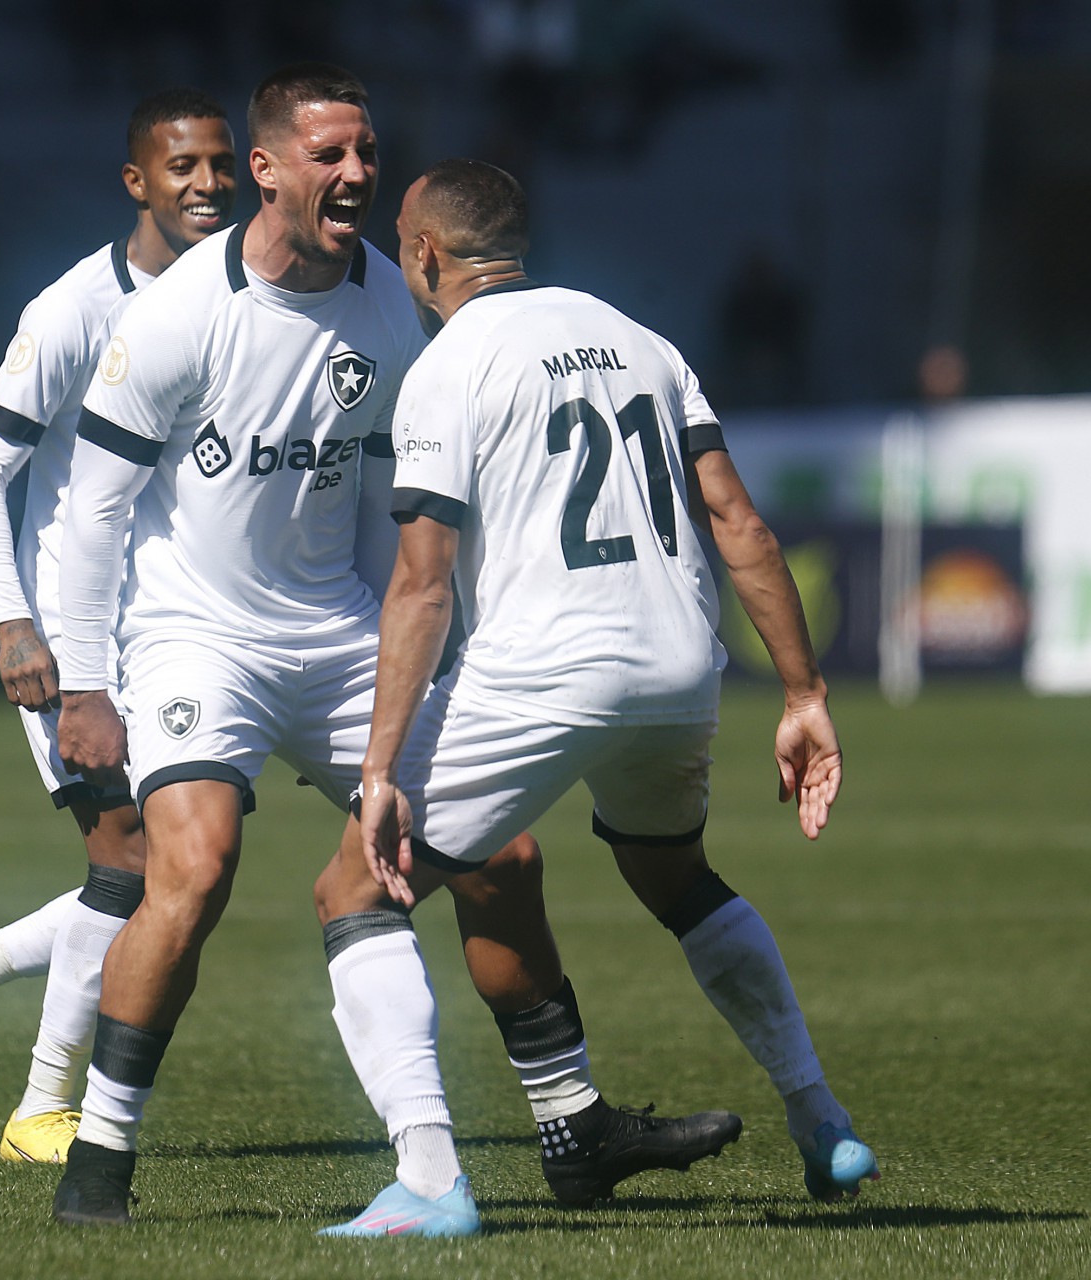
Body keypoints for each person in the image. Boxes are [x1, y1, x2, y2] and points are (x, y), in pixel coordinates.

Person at [51, 63, 738, 1235]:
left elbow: (401, 499)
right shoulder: (175, 316)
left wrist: (421, 644)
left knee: (501, 855)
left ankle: (574, 1127)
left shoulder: (392, 309)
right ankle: (99, 1154)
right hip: (195, 640)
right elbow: (94, 505)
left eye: (367, 151)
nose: (358, 172)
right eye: (329, 154)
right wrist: (83, 681)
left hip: (338, 630)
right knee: (198, 868)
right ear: (266, 169)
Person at [319, 157, 880, 1231]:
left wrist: (380, 765)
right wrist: (803, 692)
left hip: (544, 670)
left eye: (402, 243)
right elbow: (739, 524)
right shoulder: (640, 339)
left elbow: (423, 583)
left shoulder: (450, 365)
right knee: (675, 875)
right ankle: (821, 1119)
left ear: (425, 252)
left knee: (354, 889)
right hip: (679, 668)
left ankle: (429, 1182)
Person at [0, 88, 238, 1163]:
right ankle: (40, 1104)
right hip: (75, 635)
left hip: (181, 625)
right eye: (182, 166)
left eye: (220, 163)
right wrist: (15, 623)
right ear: (137, 181)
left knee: (165, 869)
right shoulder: (75, 309)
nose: (207, 184)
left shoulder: (238, 293)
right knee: (134, 858)